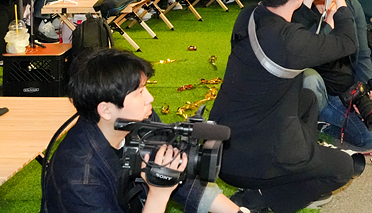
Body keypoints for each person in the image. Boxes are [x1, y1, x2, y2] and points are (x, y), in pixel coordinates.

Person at [210, 0, 362, 213]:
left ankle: (296, 165)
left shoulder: (248, 16)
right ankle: (260, 200)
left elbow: (281, 30)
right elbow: (347, 42)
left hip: (223, 146)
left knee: (308, 100)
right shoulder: (290, 41)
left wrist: (302, 0)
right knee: (345, 168)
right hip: (253, 159)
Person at [42, 48, 243, 213]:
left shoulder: (138, 119)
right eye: (139, 92)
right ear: (105, 109)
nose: (150, 98)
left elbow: (177, 170)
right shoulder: (79, 176)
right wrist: (158, 194)